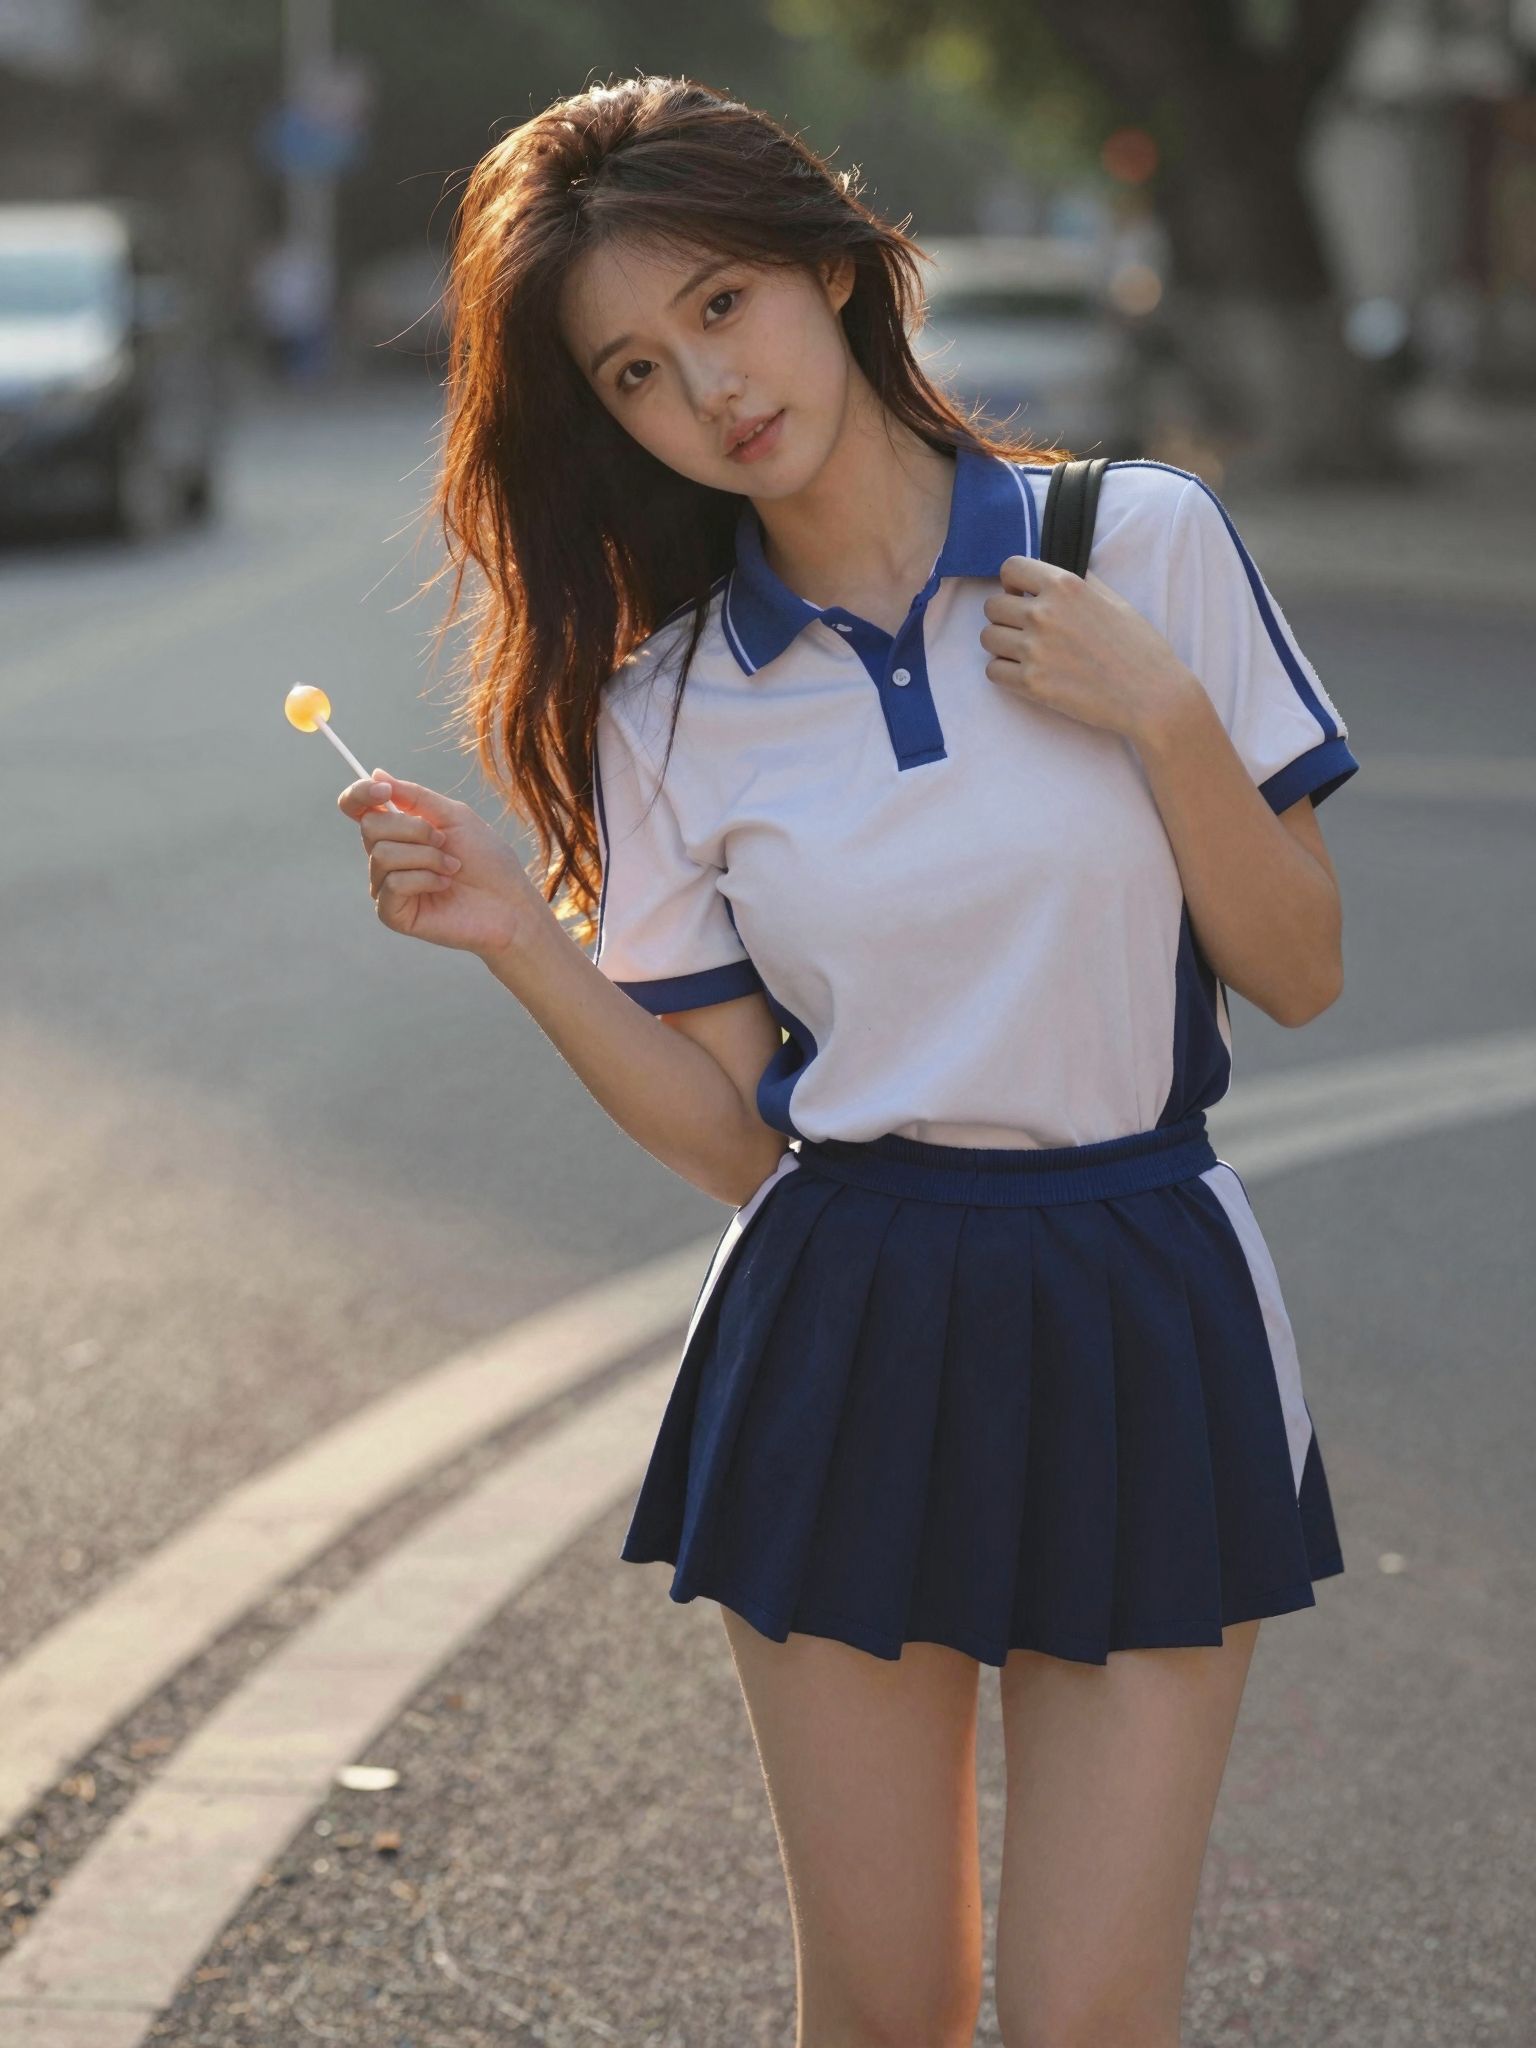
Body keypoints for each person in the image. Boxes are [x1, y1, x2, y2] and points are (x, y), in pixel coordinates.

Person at [335, 72, 1359, 2048]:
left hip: (1145, 1287)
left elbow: (1299, 970)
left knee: (1086, 2020)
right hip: (846, 1318)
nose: (706, 389)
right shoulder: (670, 701)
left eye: (720, 305)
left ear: (826, 260)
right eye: (634, 371)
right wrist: (512, 937)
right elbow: (742, 1144)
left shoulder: (1136, 542)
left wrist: (1161, 720)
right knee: (881, 2017)